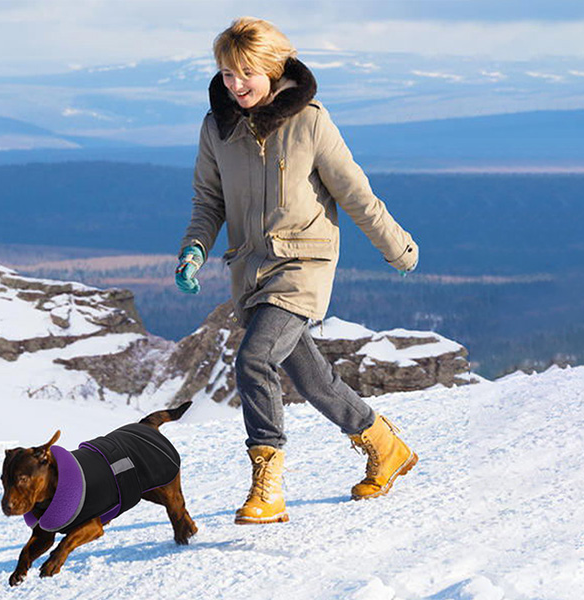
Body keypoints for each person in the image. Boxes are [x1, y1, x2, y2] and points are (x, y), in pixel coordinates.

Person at [175, 17, 420, 525]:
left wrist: (397, 247)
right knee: (312, 379)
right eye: (226, 73)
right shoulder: (216, 127)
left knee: (255, 359)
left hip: (303, 263)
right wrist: (195, 249)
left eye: (245, 73)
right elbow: (208, 200)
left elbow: (355, 193)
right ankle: (383, 443)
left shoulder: (310, 121)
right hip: (251, 269)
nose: (235, 85)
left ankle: (267, 484)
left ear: (273, 68)